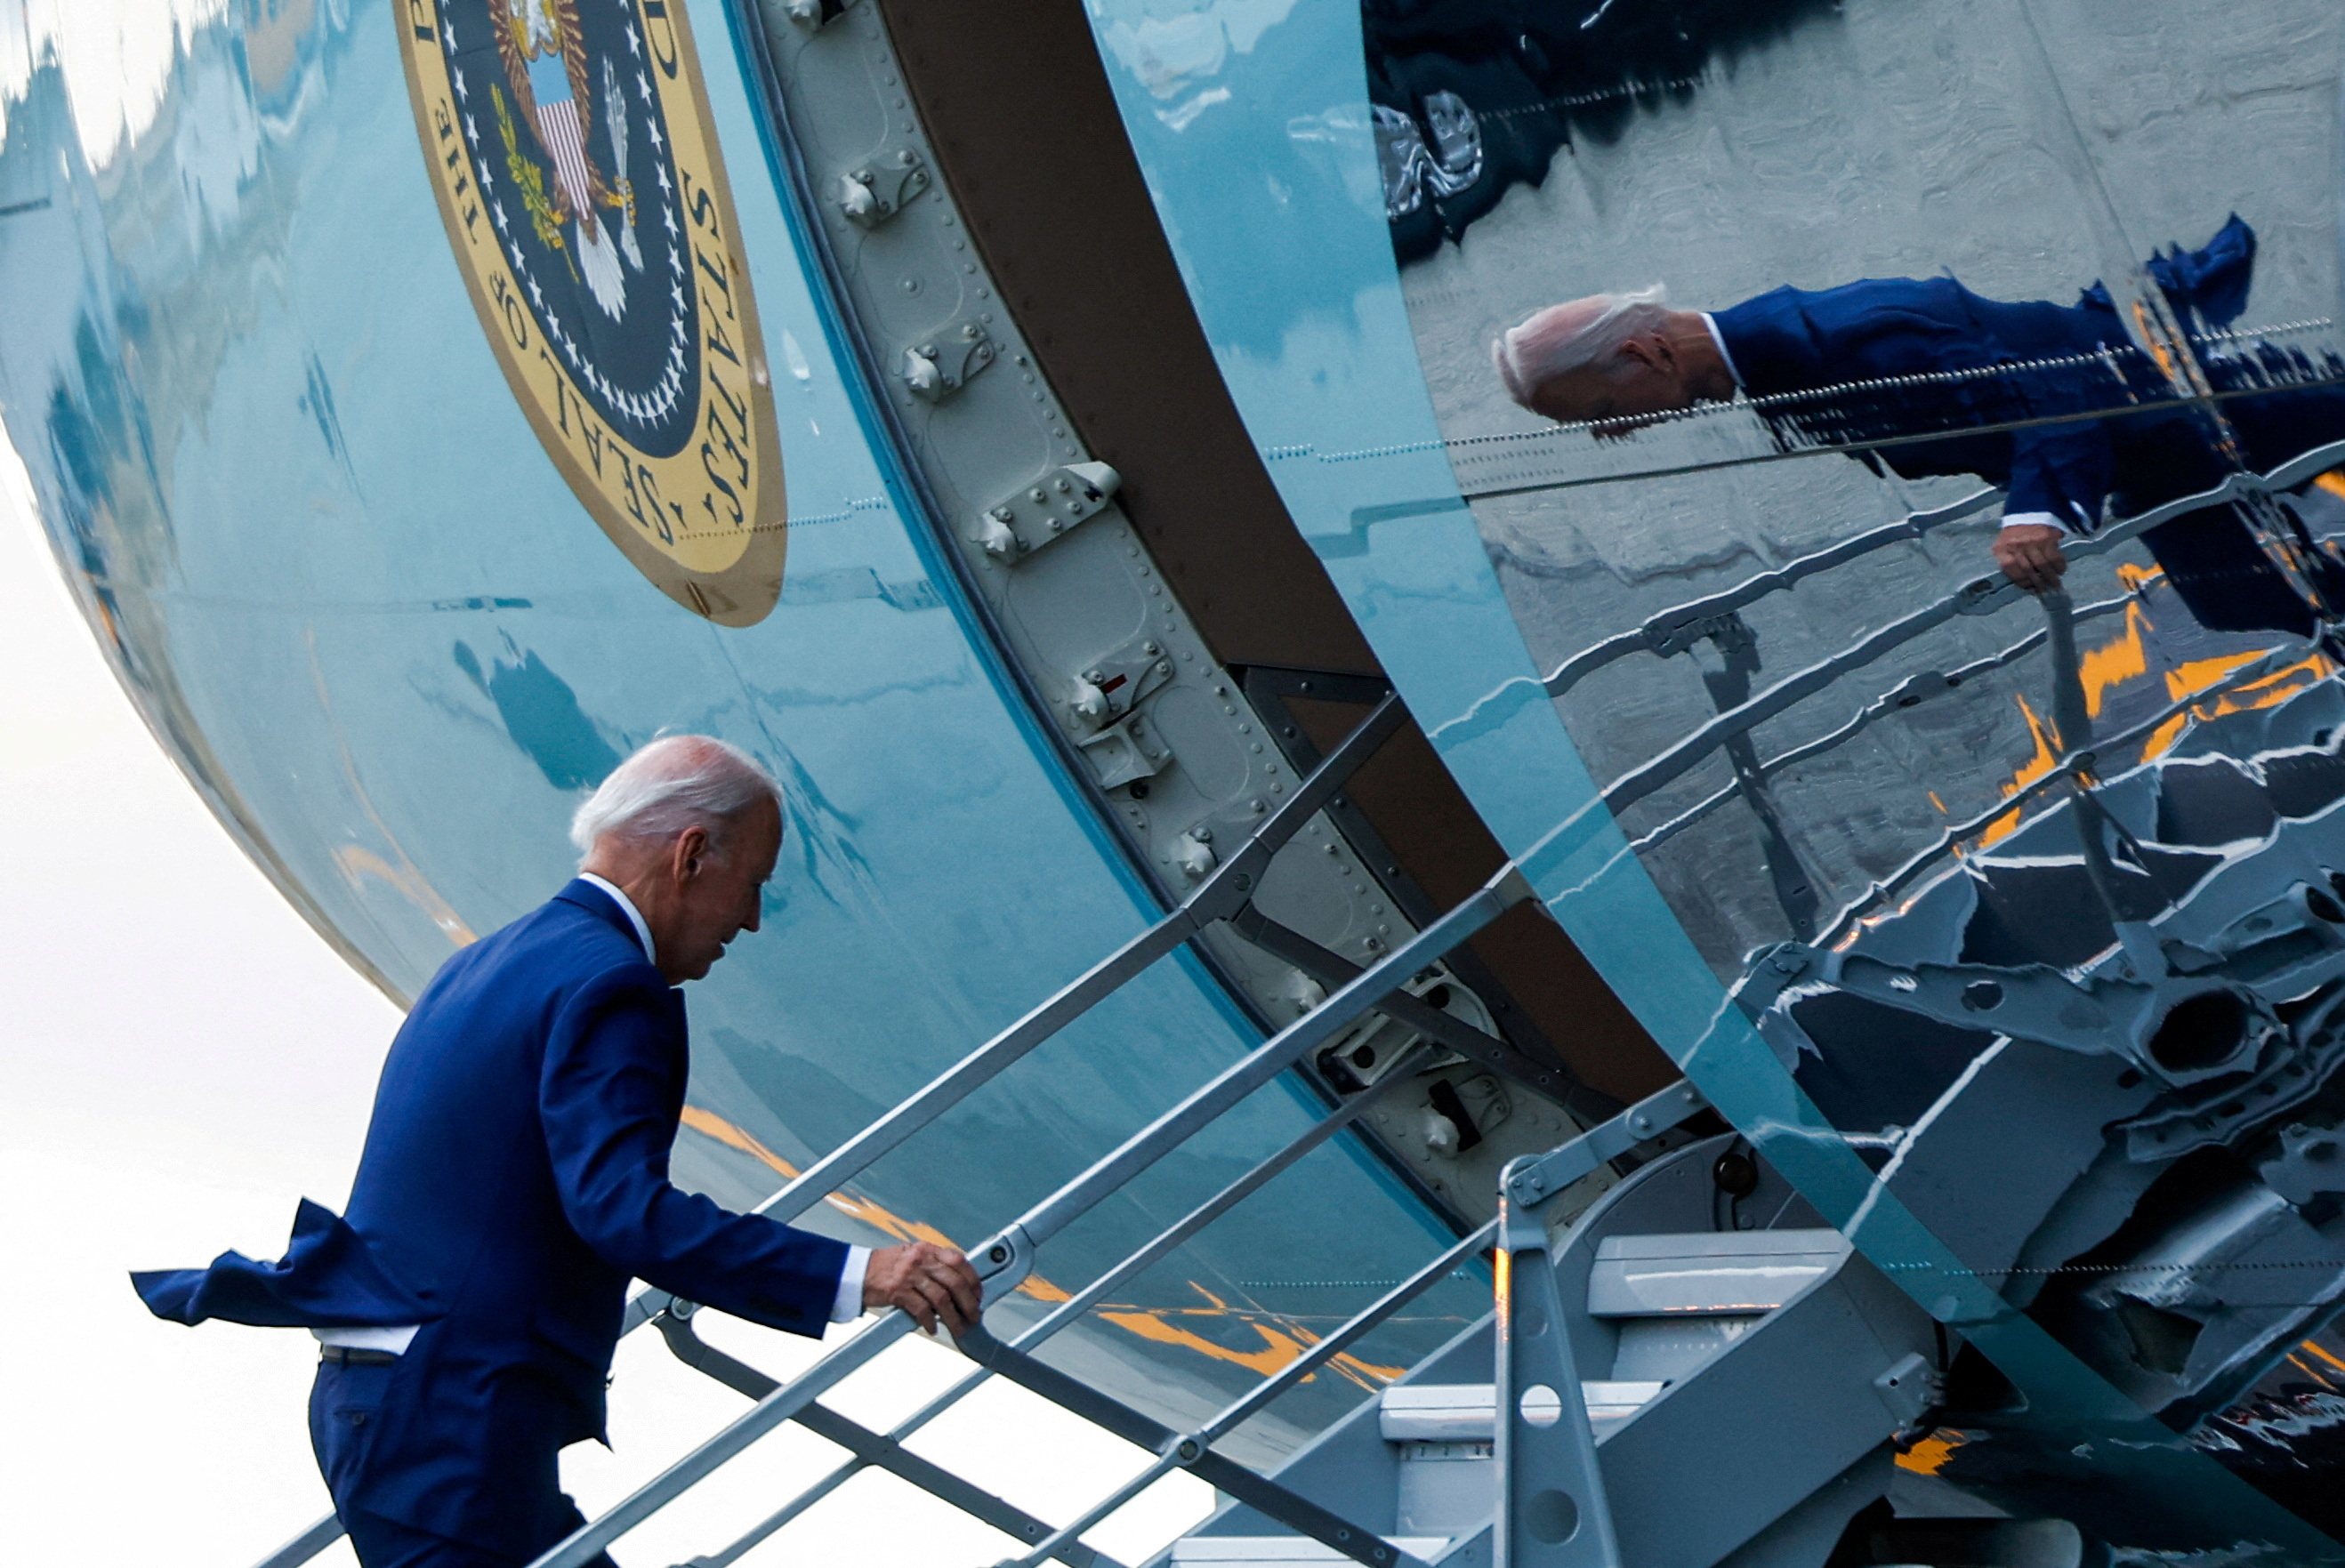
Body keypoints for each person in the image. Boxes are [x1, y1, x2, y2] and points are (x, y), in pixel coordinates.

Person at [133, 736, 982, 1568]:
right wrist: (858, 1274)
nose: (752, 919)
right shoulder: (613, 984)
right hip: (449, 1422)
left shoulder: (486, 960)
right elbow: (622, 1211)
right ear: (691, 854)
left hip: (413, 1407)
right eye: (752, 885)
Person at [1494, 216, 2345, 637]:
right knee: (2245, 595)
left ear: (1645, 352)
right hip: (2152, 456)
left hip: (2188, 411)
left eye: (1603, 414)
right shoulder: (1772, 366)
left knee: (2263, 585)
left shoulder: (1832, 340)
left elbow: (2054, 394)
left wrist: (2032, 514)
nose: (1611, 436)